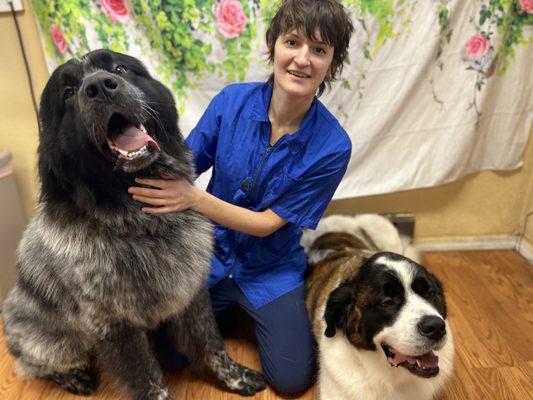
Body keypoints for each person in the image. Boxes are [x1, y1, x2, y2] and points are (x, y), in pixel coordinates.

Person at [128, 0, 354, 394]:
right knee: (174, 355)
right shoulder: (231, 102)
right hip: (209, 254)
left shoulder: (333, 146)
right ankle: (228, 310)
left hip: (272, 269)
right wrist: (135, 148)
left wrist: (193, 199)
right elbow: (184, 167)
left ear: (332, 64)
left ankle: (244, 309)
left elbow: (268, 224)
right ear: (274, 46)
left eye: (319, 50)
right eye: (293, 42)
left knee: (291, 379)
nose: (302, 59)